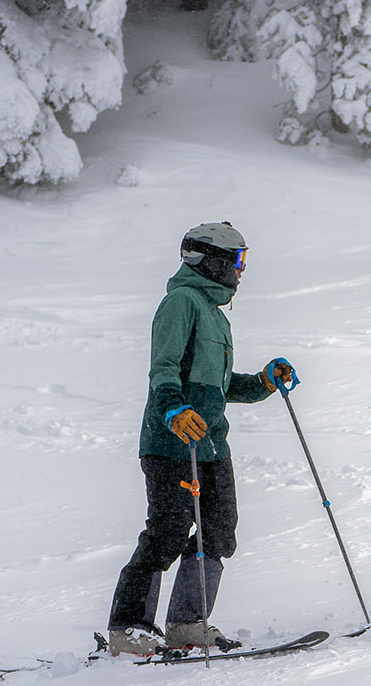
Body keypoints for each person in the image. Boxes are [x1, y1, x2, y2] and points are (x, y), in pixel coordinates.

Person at [107, 221, 294, 656]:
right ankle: (128, 629)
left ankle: (188, 623)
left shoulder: (213, 315)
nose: (243, 271)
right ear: (214, 261)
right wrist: (173, 407)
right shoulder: (181, 303)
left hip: (211, 444)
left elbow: (219, 387)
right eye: (239, 260)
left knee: (218, 532)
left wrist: (264, 382)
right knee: (168, 530)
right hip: (172, 442)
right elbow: (164, 368)